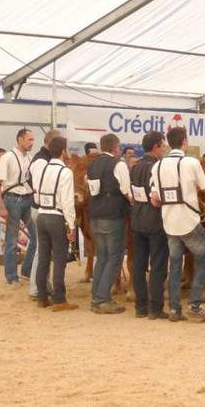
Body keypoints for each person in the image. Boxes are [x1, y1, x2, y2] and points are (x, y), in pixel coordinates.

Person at [150, 127, 205, 322]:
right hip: (189, 220)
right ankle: (195, 304)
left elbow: (155, 199)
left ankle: (174, 309)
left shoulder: (157, 166)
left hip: (169, 221)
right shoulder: (191, 162)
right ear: (184, 142)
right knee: (204, 260)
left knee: (174, 264)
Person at [30, 136, 78, 311]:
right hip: (57, 217)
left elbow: (35, 194)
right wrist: (71, 226)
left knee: (43, 259)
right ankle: (59, 299)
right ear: (63, 151)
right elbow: (67, 202)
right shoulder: (65, 172)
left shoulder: (41, 168)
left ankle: (42, 297)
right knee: (59, 260)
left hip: (42, 214)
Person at [87, 133, 131, 314]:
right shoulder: (118, 164)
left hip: (95, 216)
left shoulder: (93, 164)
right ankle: (102, 299)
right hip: (113, 216)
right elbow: (126, 191)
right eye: (119, 147)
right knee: (114, 258)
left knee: (102, 257)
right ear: (115, 148)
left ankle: (96, 297)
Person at [130, 132, 169, 320]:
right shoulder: (157, 168)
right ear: (155, 147)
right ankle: (155, 308)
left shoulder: (135, 167)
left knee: (138, 264)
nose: (163, 149)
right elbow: (156, 199)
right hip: (155, 220)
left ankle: (140, 307)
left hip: (137, 220)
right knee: (158, 265)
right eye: (162, 146)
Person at [0, 128, 37, 287]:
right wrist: (1, 206)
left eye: (33, 140)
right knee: (11, 241)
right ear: (20, 140)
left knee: (36, 237)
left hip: (27, 200)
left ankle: (26, 271)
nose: (32, 143)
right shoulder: (7, 157)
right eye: (29, 140)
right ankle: (11, 277)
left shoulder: (30, 158)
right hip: (12, 200)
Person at [28, 129, 62, 300]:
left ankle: (41, 285)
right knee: (41, 252)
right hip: (42, 209)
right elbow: (40, 185)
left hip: (41, 209)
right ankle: (35, 288)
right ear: (53, 142)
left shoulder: (43, 158)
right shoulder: (42, 161)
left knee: (42, 251)